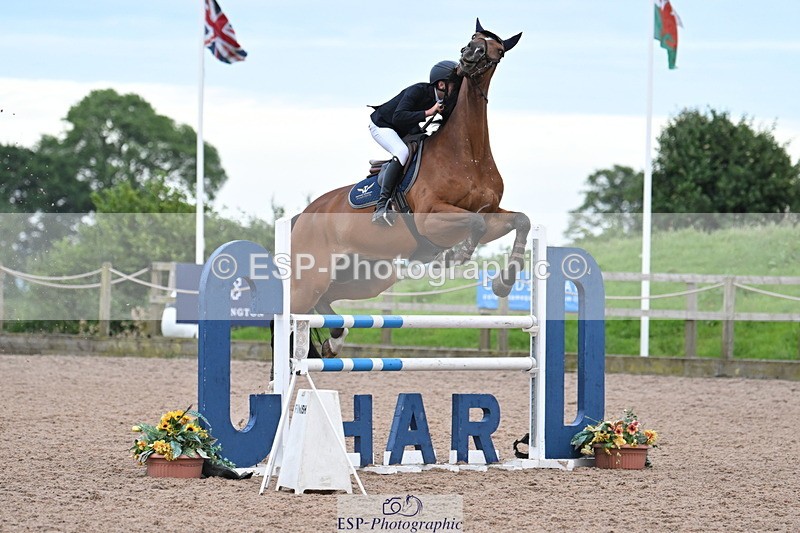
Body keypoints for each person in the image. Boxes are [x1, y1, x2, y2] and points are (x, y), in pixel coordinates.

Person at [368, 60, 459, 226]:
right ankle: (381, 206)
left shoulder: (444, 99)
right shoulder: (417, 91)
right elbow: (398, 117)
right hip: (383, 125)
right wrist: (429, 112)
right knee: (402, 152)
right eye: (454, 85)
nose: (457, 89)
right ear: (441, 85)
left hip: (405, 128)